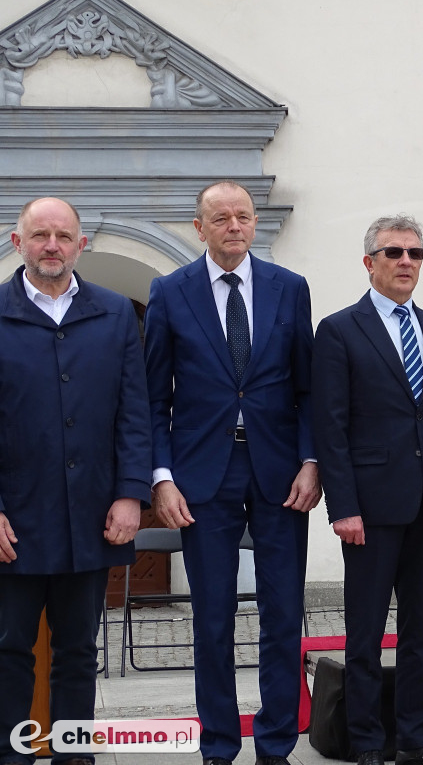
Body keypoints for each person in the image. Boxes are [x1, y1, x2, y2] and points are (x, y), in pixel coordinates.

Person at [144, 181, 319, 765]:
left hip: (279, 472)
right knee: (212, 616)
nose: (234, 227)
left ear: (254, 222)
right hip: (201, 477)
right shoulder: (170, 293)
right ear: (200, 227)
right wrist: (161, 476)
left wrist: (311, 461)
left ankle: (275, 744)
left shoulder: (289, 289)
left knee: (282, 612)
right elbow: (152, 398)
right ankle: (217, 745)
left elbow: (307, 389)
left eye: (243, 216)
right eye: (221, 218)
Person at [0, 197, 150, 765]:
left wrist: (131, 493)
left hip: (93, 515)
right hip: (15, 517)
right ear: (19, 243)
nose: (52, 246)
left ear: (80, 245)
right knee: (10, 648)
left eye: (64, 236)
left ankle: (74, 757)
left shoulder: (115, 313)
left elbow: (134, 413)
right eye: (40, 235)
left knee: (79, 652)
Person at [311, 214, 423, 765]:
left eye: (416, 254)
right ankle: (367, 743)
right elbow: (330, 426)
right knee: (365, 637)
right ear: (369, 262)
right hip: (370, 510)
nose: (406, 263)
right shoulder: (338, 330)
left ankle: (418, 742)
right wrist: (343, 506)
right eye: (395, 253)